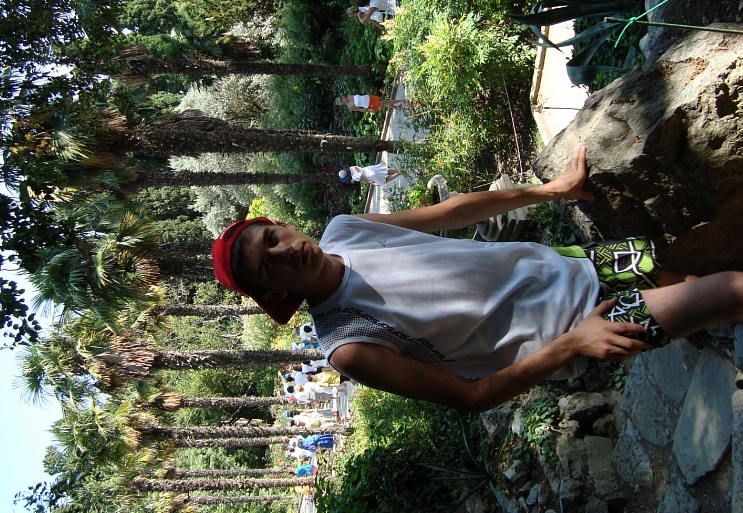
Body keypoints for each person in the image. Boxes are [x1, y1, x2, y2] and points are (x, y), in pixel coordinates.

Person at [212, 147, 743, 412]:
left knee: (697, 283)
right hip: (582, 325)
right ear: (275, 292)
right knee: (728, 290)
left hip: (571, 263)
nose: (285, 251)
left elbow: (454, 212)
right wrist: (572, 345)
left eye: (272, 238)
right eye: (269, 265)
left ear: (281, 225)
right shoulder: (346, 344)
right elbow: (471, 396)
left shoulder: (345, 230)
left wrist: (551, 191)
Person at [335, 94, 404, 114]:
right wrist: (370, 111)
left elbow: (360, 96)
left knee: (383, 100)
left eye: (342, 97)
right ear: (342, 103)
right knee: (385, 102)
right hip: (369, 104)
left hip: (369, 97)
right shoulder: (350, 106)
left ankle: (395, 107)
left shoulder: (349, 96)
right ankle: (400, 101)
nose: (343, 98)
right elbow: (360, 110)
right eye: (342, 100)